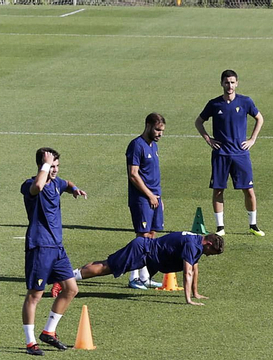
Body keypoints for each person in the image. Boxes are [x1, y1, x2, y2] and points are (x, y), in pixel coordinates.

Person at [21, 147, 86, 356]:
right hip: (39, 247)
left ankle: (49, 331)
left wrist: (74, 188)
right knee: (35, 295)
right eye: (52, 166)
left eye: (57, 166)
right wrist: (45, 166)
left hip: (57, 248)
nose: (55, 170)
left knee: (71, 289)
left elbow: (65, 184)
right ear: (42, 166)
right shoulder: (29, 185)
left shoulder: (57, 183)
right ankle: (30, 343)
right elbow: (38, 186)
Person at [195, 69, 264, 237]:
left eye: (232, 82)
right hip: (221, 154)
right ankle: (220, 228)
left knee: (248, 190)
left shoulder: (245, 101)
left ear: (237, 83)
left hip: (240, 154)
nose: (230, 85)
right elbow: (198, 122)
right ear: (222, 83)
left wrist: (252, 139)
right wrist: (208, 140)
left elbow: (259, 118)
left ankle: (253, 225)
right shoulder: (214, 104)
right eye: (227, 82)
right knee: (218, 190)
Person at [76, 232, 224, 307]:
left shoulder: (198, 241)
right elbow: (188, 272)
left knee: (106, 265)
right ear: (209, 244)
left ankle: (72, 274)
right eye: (213, 252)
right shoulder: (193, 245)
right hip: (142, 251)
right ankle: (71, 277)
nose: (211, 255)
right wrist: (188, 300)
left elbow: (194, 268)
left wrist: (196, 293)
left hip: (148, 254)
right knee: (106, 267)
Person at [125, 113, 166, 288]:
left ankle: (144, 276)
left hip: (154, 198)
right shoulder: (136, 145)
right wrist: (149, 195)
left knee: (151, 236)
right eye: (157, 129)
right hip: (142, 199)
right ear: (148, 125)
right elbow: (133, 175)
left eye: (162, 130)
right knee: (141, 238)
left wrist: (158, 197)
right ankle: (133, 277)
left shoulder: (153, 146)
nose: (160, 134)